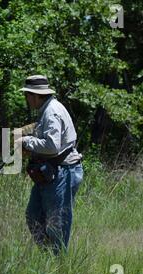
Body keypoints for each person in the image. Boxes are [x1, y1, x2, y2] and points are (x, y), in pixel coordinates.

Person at [16, 75, 83, 255]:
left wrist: (26, 141)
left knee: (56, 223)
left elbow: (53, 146)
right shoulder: (47, 109)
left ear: (35, 95)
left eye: (27, 95)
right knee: (33, 216)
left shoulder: (51, 111)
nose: (27, 99)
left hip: (62, 172)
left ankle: (58, 263)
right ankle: (48, 257)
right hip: (52, 172)